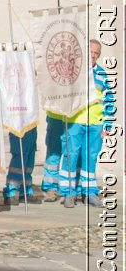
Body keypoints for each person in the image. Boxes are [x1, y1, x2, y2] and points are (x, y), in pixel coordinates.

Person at [61, 39, 109, 207]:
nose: (93, 56)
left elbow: (109, 101)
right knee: (70, 156)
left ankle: (90, 192)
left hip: (95, 124)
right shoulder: (73, 71)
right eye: (91, 53)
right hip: (75, 121)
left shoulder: (103, 74)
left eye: (96, 54)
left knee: (90, 158)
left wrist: (107, 126)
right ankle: (68, 194)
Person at [41, 111, 69, 201]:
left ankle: (70, 189)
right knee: (53, 154)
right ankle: (50, 188)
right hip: (55, 116)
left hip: (74, 117)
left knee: (71, 155)